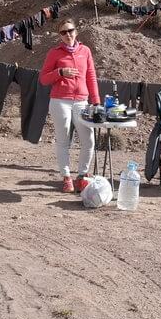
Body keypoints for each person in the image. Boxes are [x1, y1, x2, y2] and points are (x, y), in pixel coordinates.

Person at [39, 19, 101, 192]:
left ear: (76, 31)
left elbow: (91, 76)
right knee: (63, 139)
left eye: (70, 31)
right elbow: (43, 79)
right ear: (59, 35)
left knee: (89, 139)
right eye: (63, 32)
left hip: (82, 100)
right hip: (60, 100)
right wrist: (60, 72)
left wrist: (96, 101)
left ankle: (82, 175)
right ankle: (67, 177)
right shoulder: (54, 53)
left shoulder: (85, 51)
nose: (67, 35)